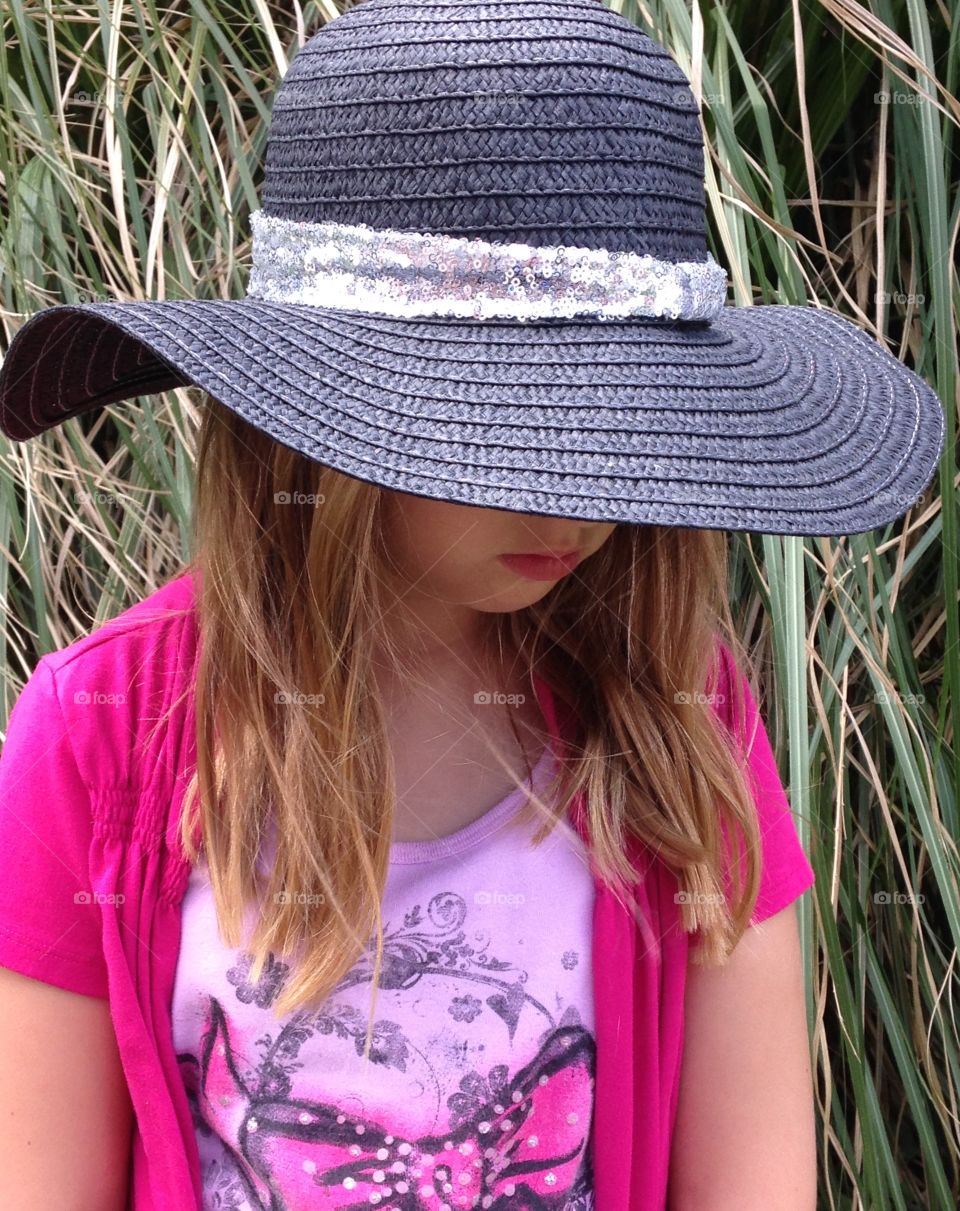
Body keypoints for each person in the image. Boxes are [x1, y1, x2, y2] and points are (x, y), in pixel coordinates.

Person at [0, 0, 944, 1209]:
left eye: (619, 419)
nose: (577, 496)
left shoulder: (678, 714)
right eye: (502, 433)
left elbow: (751, 1174)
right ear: (315, 420)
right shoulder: (105, 725)